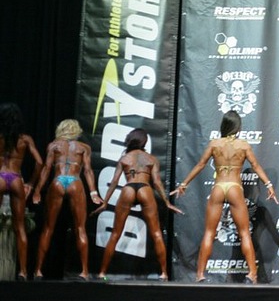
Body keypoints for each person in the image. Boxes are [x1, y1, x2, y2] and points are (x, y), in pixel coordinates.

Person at [172, 110, 279, 283]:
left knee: (209, 233)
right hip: (234, 188)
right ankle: (252, 274)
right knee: (244, 233)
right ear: (238, 127)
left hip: (219, 187)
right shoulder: (243, 145)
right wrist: (269, 185)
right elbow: (256, 166)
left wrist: (184, 184)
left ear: (224, 125)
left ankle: (200, 274)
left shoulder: (215, 144)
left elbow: (200, 165)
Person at [92, 128, 183, 281]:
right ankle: (164, 273)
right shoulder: (151, 159)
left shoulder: (125, 158)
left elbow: (114, 181)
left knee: (115, 234)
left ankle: (102, 273)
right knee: (156, 233)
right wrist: (166, 202)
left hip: (128, 189)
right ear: (144, 142)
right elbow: (157, 182)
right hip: (145, 189)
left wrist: (105, 202)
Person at [33, 119, 99, 280]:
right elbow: (88, 171)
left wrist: (37, 191)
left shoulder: (54, 145)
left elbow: (46, 168)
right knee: (80, 228)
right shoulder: (84, 147)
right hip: (75, 182)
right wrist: (93, 192)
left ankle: (38, 271)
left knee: (48, 228)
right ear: (77, 131)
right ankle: (84, 272)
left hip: (58, 181)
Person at [0, 103, 44, 281]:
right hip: (16, 179)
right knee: (20, 227)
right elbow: (39, 162)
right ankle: (23, 272)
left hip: (0, 176)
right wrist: (31, 184)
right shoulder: (25, 139)